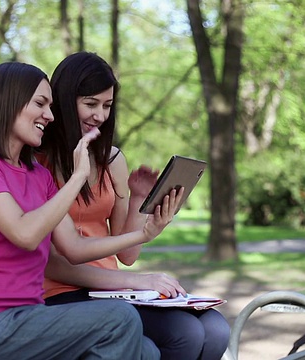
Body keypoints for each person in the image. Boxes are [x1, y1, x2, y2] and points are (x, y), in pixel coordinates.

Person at [0, 61, 184, 360]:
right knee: (119, 318)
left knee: (147, 352)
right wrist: (77, 178)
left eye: (50, 105)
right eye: (40, 104)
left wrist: (143, 233)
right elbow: (25, 233)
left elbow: (73, 248)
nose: (49, 115)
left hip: (31, 318)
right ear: (9, 103)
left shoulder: (38, 175)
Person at [38, 51, 230, 360]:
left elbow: (127, 255)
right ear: (62, 100)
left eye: (107, 105)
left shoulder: (111, 159)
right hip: (63, 294)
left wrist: (139, 198)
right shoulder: (39, 164)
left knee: (216, 328)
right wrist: (138, 281)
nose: (100, 115)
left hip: (112, 289)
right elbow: (58, 261)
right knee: (185, 333)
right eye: (90, 104)